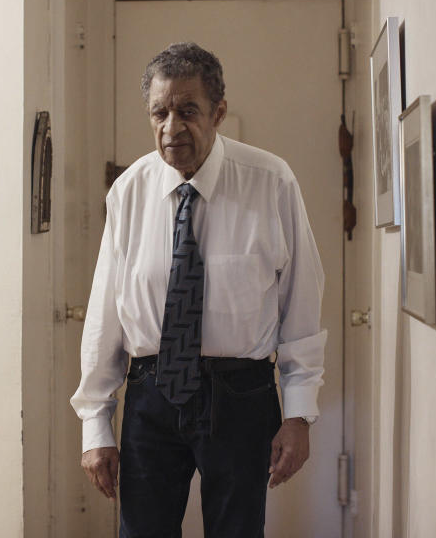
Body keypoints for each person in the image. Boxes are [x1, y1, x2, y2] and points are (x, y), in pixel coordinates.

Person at [70, 42, 326, 537]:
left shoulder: (270, 180)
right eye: (159, 113)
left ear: (219, 112)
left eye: (187, 111)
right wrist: (95, 425)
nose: (171, 128)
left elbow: (301, 302)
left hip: (242, 395)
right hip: (151, 392)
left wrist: (299, 415)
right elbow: (106, 311)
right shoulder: (130, 190)